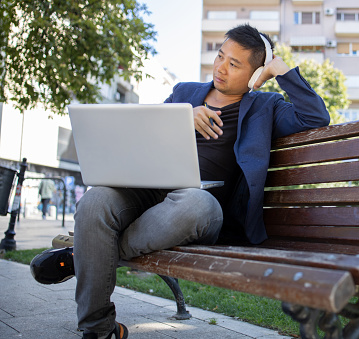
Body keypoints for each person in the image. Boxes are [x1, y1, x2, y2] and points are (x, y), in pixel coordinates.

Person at [32, 24, 330, 339]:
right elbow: (142, 135)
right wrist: (184, 116)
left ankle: (85, 254)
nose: (221, 68)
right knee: (95, 201)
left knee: (194, 204)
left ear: (257, 73)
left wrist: (281, 70)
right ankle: (99, 329)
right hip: (149, 191)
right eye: (220, 56)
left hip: (202, 206)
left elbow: (315, 117)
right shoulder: (184, 93)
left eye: (234, 64)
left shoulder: (265, 107)